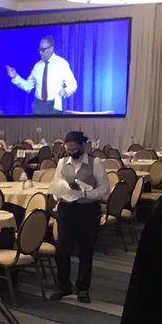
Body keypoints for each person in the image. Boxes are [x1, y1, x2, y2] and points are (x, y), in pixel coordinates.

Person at [47, 130, 109, 303]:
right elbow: (57, 183)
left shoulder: (95, 163)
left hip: (88, 210)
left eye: (75, 149)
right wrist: (58, 193)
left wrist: (85, 194)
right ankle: (63, 286)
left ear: (83, 146)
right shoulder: (62, 163)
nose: (72, 153)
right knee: (62, 250)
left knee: (85, 250)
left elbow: (105, 190)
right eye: (69, 150)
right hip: (67, 209)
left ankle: (83, 288)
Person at [5, 35, 78, 115]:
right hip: (38, 107)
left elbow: (72, 84)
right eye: (39, 50)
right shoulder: (37, 66)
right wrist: (15, 77)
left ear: (51, 48)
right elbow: (28, 86)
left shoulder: (61, 64)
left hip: (55, 107)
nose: (40, 52)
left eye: (43, 50)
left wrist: (65, 91)